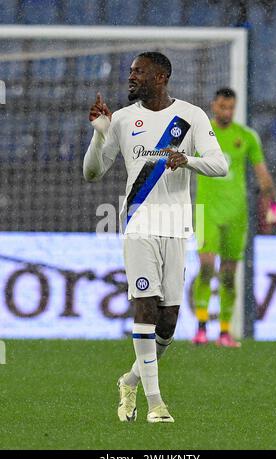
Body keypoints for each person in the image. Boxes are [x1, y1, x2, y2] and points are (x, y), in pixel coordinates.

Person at [83, 52, 228, 423]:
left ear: (161, 77)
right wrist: (99, 137)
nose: (131, 78)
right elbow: (92, 174)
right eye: (130, 72)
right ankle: (156, 404)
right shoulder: (123, 119)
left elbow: (220, 165)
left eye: (139, 72)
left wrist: (187, 160)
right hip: (138, 223)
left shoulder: (191, 116)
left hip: (176, 226)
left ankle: (129, 380)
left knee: (168, 323)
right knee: (145, 309)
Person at [192, 87, 276, 347]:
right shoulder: (201, 133)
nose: (227, 112)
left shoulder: (246, 136)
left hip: (237, 215)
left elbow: (262, 173)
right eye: (222, 107)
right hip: (206, 211)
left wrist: (273, 204)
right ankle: (200, 328)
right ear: (214, 106)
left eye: (231, 108)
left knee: (229, 276)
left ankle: (224, 332)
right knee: (207, 266)